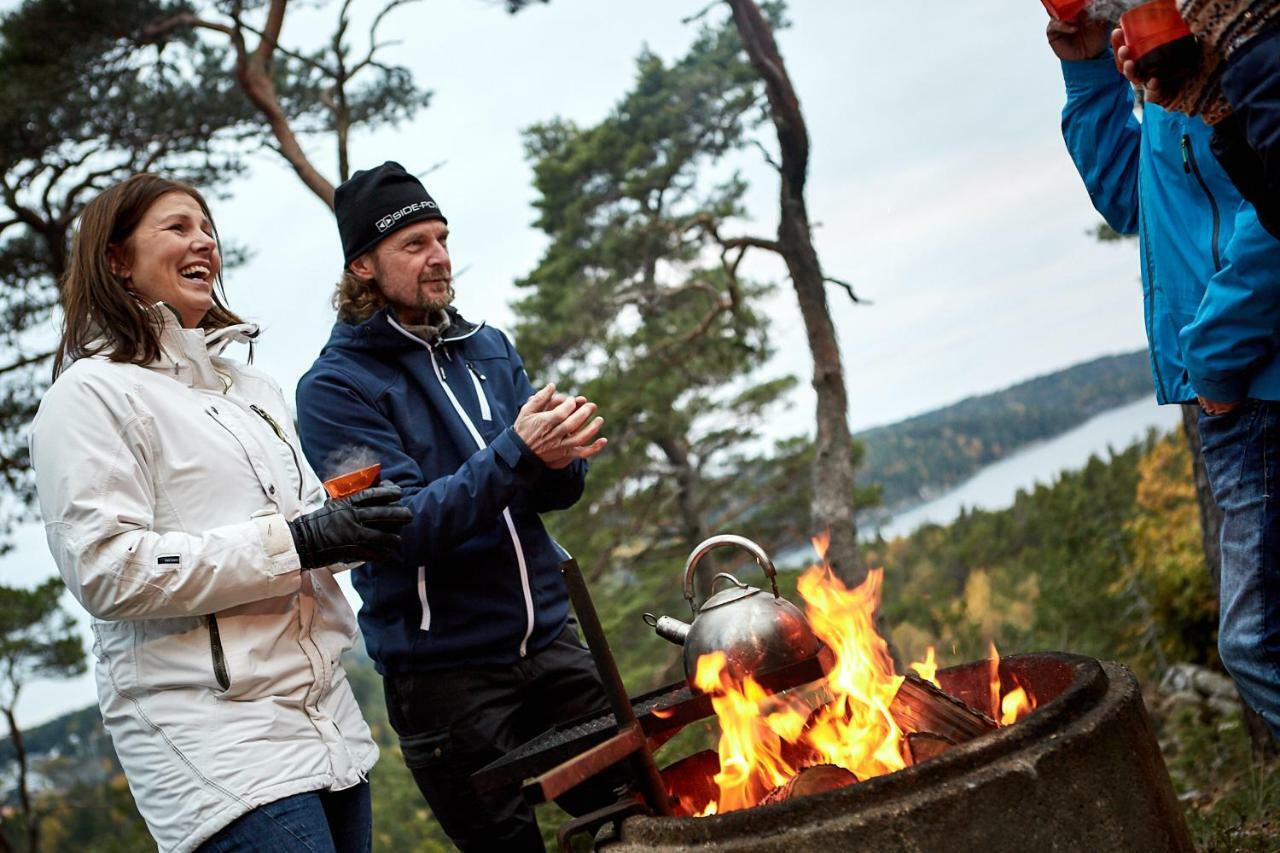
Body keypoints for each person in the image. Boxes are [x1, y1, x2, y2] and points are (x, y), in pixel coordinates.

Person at [30, 173, 412, 853]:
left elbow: (301, 524)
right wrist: (300, 538)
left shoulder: (252, 387)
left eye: (207, 226)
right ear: (116, 259)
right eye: (177, 227)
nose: (203, 239)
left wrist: (352, 523)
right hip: (211, 742)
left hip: (327, 724)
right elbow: (107, 571)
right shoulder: (87, 396)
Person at [295, 161, 615, 851]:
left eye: (441, 237)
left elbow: (546, 486)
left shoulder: (487, 348)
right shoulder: (334, 389)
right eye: (414, 244)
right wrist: (520, 454)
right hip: (448, 683)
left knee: (640, 825)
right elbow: (398, 527)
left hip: (554, 647)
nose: (438, 256)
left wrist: (561, 462)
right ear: (363, 268)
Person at [1048, 14, 1280, 737]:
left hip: (1253, 378)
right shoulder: (1171, 46)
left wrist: (1212, 356)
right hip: (1235, 387)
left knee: (1257, 641)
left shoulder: (1243, 37)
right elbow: (1132, 200)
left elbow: (1274, 206)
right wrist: (1088, 72)